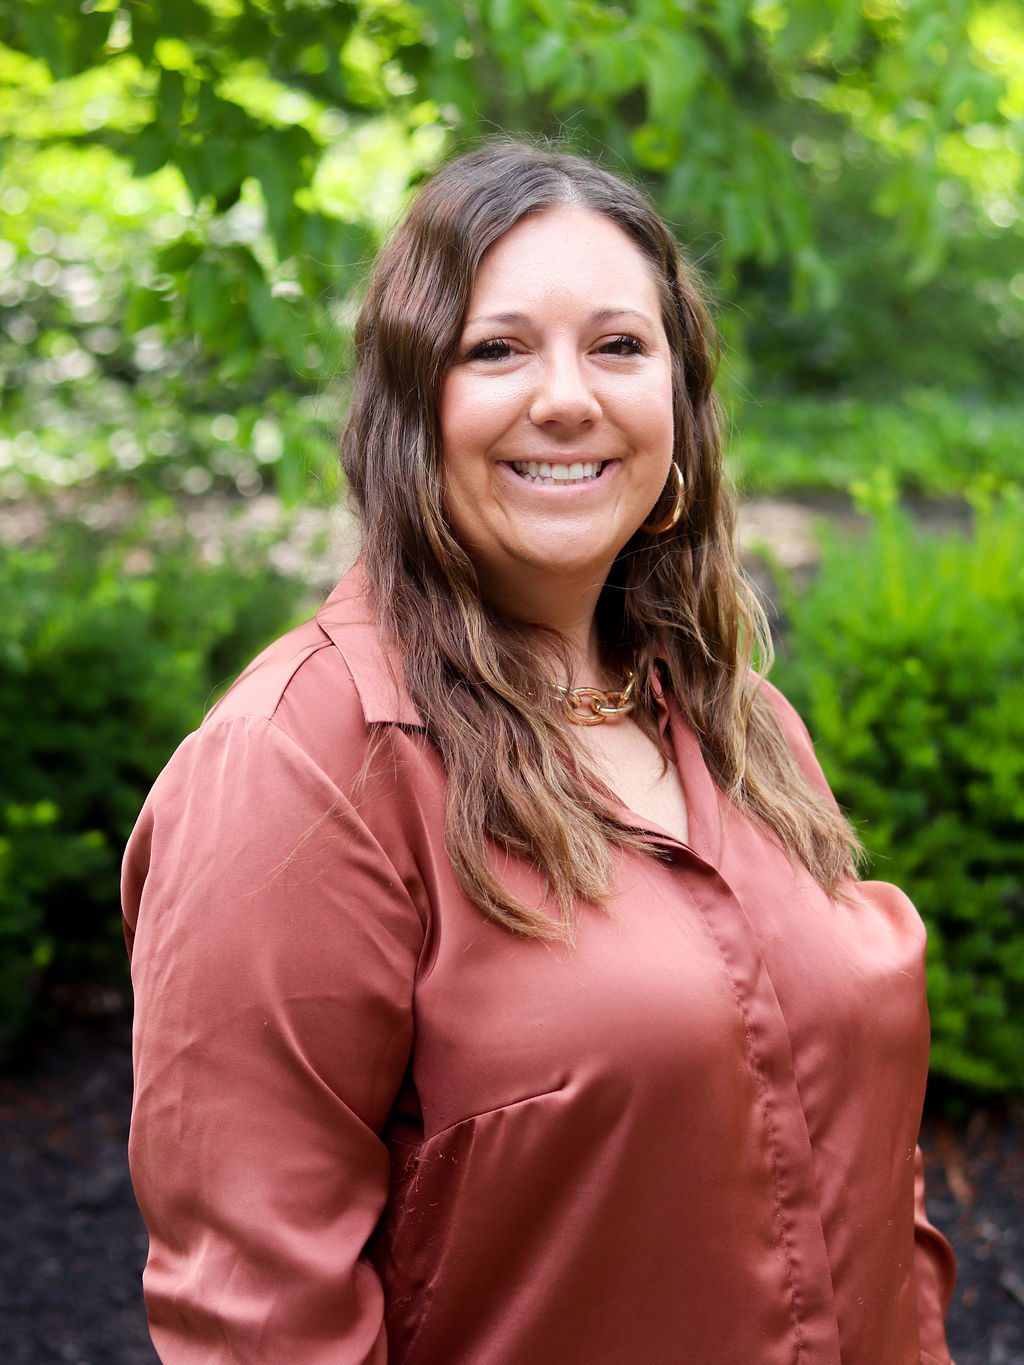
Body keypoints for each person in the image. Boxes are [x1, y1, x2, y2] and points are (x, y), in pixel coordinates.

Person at [122, 141, 957, 1365]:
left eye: (617, 346)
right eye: (497, 349)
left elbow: (872, 1170)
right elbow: (259, 1319)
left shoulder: (743, 726)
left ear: (679, 402)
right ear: (411, 405)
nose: (567, 398)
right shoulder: (301, 768)